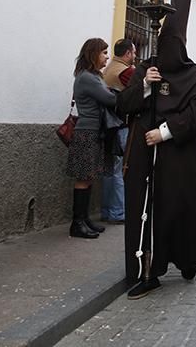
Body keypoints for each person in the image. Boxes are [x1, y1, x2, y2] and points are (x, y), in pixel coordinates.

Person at [116, 0, 196, 299]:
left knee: (177, 211)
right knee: (144, 211)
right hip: (144, 154)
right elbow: (122, 105)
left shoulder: (191, 75)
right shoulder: (145, 69)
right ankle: (146, 269)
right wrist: (143, 86)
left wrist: (168, 130)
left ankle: (184, 258)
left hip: (178, 157)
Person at [67, 38, 120, 240]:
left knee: (88, 177)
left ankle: (84, 219)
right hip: (86, 132)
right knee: (83, 177)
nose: (107, 56)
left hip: (93, 132)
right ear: (93, 54)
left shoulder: (93, 76)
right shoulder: (88, 78)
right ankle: (77, 223)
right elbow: (109, 99)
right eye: (104, 52)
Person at [102, 38, 137, 224]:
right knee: (118, 171)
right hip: (120, 126)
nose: (136, 55)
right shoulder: (127, 71)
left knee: (109, 170)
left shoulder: (108, 69)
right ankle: (117, 212)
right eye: (134, 52)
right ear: (128, 53)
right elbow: (136, 95)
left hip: (108, 126)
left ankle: (107, 210)